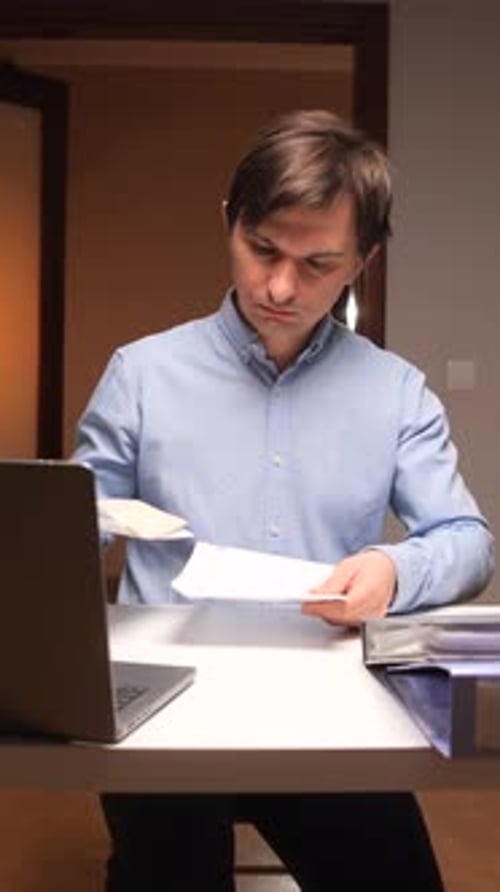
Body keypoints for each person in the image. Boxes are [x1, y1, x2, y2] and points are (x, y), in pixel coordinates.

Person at [73, 110, 493, 891]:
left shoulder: (395, 393)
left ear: (361, 262)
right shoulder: (141, 373)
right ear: (231, 222)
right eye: (262, 249)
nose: (278, 286)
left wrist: (393, 571)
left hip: (330, 704)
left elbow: (468, 539)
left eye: (317, 263)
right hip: (163, 707)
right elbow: (70, 533)